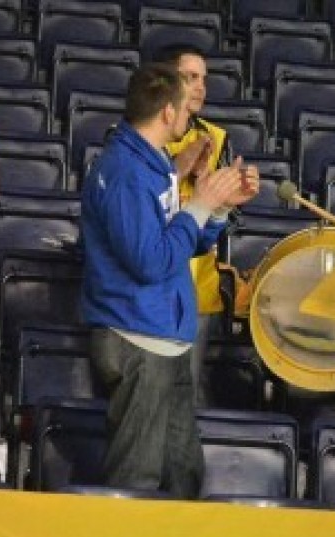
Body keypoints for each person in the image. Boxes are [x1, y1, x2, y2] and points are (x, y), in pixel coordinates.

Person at [82, 63, 256, 498]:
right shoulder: (126, 171)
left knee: (184, 475)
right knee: (136, 478)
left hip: (163, 335)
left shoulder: (155, 162)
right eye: (185, 108)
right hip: (138, 337)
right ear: (166, 113)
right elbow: (150, 262)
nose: (190, 116)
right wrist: (199, 205)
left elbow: (180, 246)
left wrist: (217, 208)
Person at [158, 44, 235, 406]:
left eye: (204, 78)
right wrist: (180, 169)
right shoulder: (140, 133)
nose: (201, 87)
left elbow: (229, 217)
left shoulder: (218, 139)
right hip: (151, 283)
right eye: (191, 77)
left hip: (197, 286)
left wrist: (214, 188)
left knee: (184, 389)